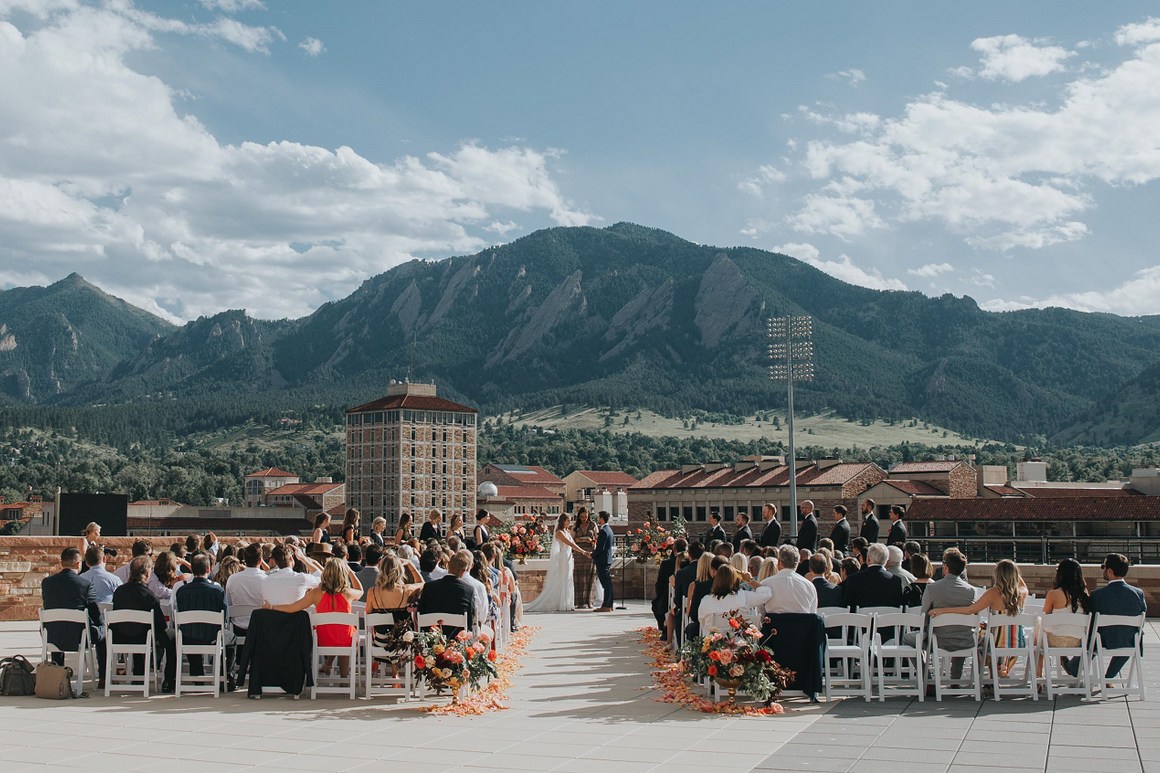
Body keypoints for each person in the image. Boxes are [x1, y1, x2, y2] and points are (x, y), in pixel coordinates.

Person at [267, 558, 362, 679]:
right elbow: (360, 591)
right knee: (345, 634)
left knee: (333, 632)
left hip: (323, 640)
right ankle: (343, 678)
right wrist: (350, 571)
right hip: (345, 640)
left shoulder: (316, 593)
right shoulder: (348, 593)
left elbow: (292, 608)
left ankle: (328, 665)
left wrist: (271, 606)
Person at [931, 559, 1028, 677]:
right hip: (1017, 643)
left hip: (995, 644)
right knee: (985, 634)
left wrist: (943, 610)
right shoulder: (1022, 593)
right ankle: (1000, 669)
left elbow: (970, 610)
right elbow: (1022, 584)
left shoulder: (993, 593)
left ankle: (991, 676)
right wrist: (1012, 569)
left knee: (979, 639)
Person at [42, 547, 105, 686]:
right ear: (78, 564)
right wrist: (102, 624)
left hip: (52, 636)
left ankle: (58, 676)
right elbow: (95, 614)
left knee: (58, 625)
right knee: (103, 633)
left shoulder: (47, 583)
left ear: (62, 562)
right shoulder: (85, 584)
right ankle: (103, 678)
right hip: (78, 637)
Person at [112, 556, 176, 691]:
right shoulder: (149, 596)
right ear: (148, 574)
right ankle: (169, 681)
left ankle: (138, 674)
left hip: (120, 637)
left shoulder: (119, 592)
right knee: (172, 637)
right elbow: (161, 625)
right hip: (144, 638)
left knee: (136, 629)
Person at [913, 548, 978, 680]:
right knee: (960, 630)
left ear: (946, 566)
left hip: (939, 640)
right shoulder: (972, 591)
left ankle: (928, 679)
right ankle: (955, 678)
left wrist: (924, 632)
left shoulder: (933, 588)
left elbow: (923, 617)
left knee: (908, 639)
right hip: (964, 640)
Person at [1088, 553, 1147, 679]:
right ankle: (1109, 676)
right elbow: (1142, 620)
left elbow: (1090, 621)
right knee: (1130, 637)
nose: (1102, 569)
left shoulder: (1097, 595)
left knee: (1091, 637)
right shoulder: (1138, 594)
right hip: (1130, 641)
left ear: (1110, 571)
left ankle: (1074, 668)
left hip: (1103, 640)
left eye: (1102, 566)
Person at [366, 552, 424, 677]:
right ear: (399, 571)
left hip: (380, 641)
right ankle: (395, 670)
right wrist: (410, 565)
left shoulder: (372, 592)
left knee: (384, 634)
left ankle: (385, 663)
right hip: (403, 641)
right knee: (397, 635)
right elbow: (422, 583)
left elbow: (368, 614)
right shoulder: (406, 590)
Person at [173, 553, 227, 683]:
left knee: (191, 631)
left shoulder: (182, 591)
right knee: (230, 639)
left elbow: (176, 614)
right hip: (212, 637)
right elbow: (224, 617)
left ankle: (196, 674)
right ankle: (224, 677)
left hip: (188, 636)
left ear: (191, 569)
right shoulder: (218, 590)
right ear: (208, 569)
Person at [525, 513, 591, 612]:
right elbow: (571, 544)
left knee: (568, 578)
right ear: (563, 521)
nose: (569, 523)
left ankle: (567, 603)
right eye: (568, 520)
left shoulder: (566, 531)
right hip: (563, 556)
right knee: (563, 578)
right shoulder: (559, 532)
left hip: (568, 557)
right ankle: (562, 603)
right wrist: (583, 552)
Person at [1038, 558, 1091, 679]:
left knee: (1036, 638)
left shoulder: (1054, 594)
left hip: (1055, 641)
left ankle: (1039, 677)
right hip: (1078, 641)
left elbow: (1044, 617)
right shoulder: (1084, 594)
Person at [696, 565, 772, 632]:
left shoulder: (706, 601)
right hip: (741, 645)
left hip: (714, 644)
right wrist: (750, 580)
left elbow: (702, 625)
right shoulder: (744, 597)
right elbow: (766, 593)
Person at [417, 551, 477, 634]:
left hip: (431, 637)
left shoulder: (429, 587)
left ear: (448, 565)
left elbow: (420, 613)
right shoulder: (468, 590)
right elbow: (469, 622)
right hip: (457, 638)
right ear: (463, 572)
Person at [843, 543, 905, 611]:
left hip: (861, 620)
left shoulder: (853, 579)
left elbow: (847, 606)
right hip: (886, 620)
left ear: (868, 558)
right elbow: (898, 607)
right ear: (886, 561)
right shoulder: (895, 581)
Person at [760, 545, 818, 615]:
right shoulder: (809, 586)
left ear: (778, 563)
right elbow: (812, 614)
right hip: (800, 625)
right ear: (797, 564)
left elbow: (760, 613)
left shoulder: (765, 584)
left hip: (774, 625)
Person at [225, 543, 267, 633]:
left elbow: (228, 604)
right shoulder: (266, 580)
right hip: (261, 629)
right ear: (260, 561)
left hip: (238, 628)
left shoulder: (233, 579)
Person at [671, 541, 705, 641]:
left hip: (687, 608)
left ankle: (681, 645)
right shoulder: (706, 570)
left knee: (678, 616)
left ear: (689, 554)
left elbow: (678, 599)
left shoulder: (682, 573)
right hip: (703, 610)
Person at [653, 538, 686, 631]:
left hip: (669, 596)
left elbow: (660, 583)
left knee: (657, 604)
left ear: (674, 549)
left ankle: (664, 628)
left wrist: (659, 595)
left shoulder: (666, 564)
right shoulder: (691, 562)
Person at [572, 508, 598, 608]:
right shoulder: (576, 526)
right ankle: (579, 602)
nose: (584, 519)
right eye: (582, 517)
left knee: (590, 577)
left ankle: (589, 601)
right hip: (579, 553)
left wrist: (591, 541)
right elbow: (572, 539)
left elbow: (597, 538)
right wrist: (578, 540)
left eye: (585, 517)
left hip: (590, 553)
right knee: (579, 578)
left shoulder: (593, 525)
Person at [592, 511, 616, 613]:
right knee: (607, 583)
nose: (597, 519)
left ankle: (606, 605)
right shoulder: (609, 530)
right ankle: (609, 604)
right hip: (607, 559)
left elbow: (600, 547)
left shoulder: (603, 531)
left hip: (602, 560)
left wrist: (592, 554)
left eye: (598, 517)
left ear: (601, 518)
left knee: (605, 583)